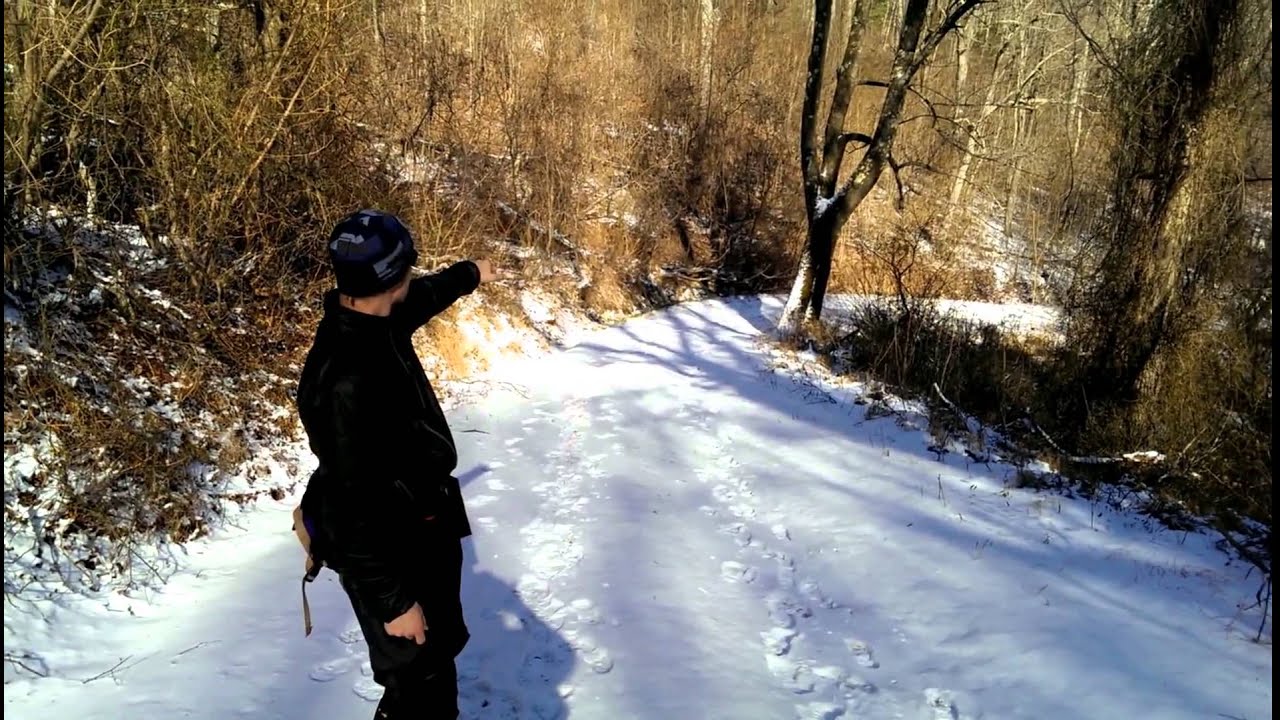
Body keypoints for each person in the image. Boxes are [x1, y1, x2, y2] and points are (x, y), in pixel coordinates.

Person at [294, 209, 498, 719]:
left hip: (417, 526)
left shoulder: (371, 318)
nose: (413, 277)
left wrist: (470, 274)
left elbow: (423, 296)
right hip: (390, 553)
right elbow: (350, 505)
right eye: (407, 267)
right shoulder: (347, 378)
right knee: (418, 682)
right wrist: (394, 603)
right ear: (390, 278)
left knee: (432, 667)